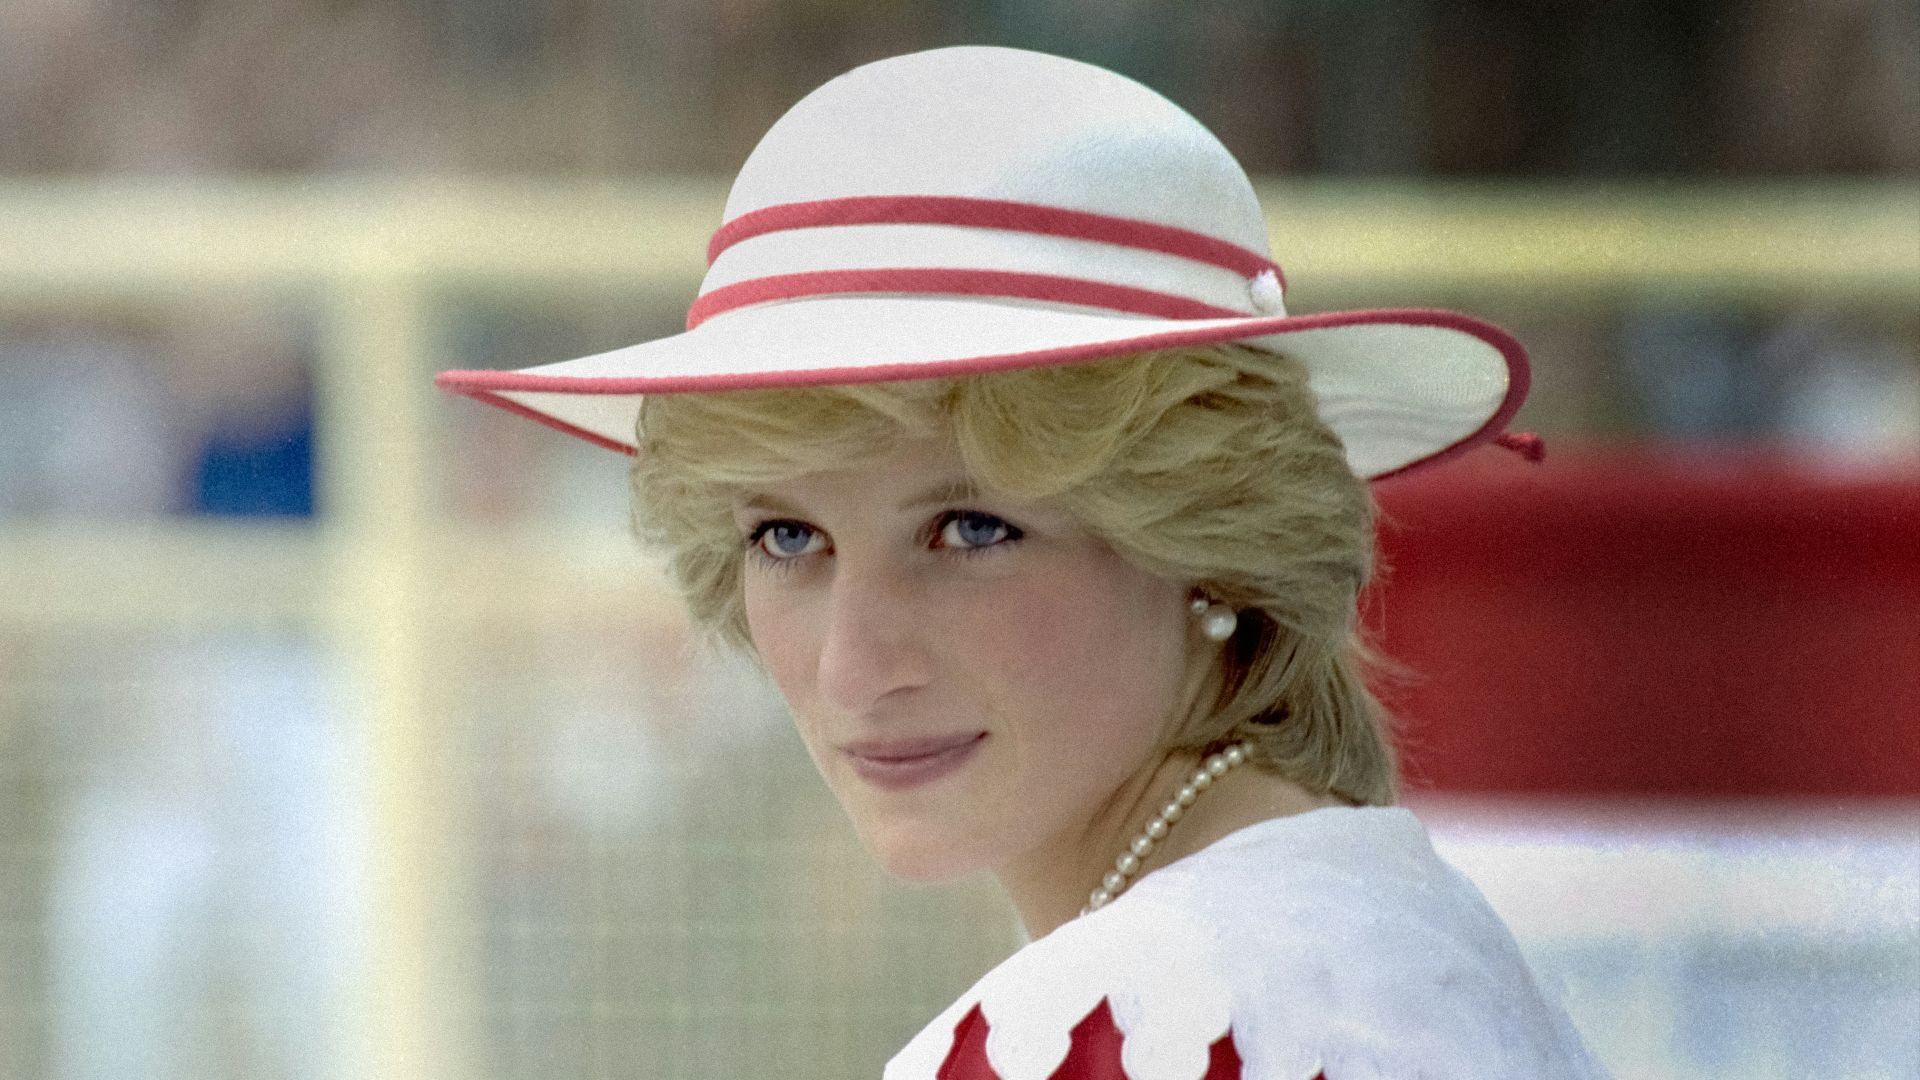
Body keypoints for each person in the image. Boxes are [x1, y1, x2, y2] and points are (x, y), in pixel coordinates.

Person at [438, 45, 1606, 1080]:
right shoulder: (1403, 932)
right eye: (787, 538)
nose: (854, 666)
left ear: (1211, 542)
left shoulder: (1102, 1032)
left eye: (970, 531)